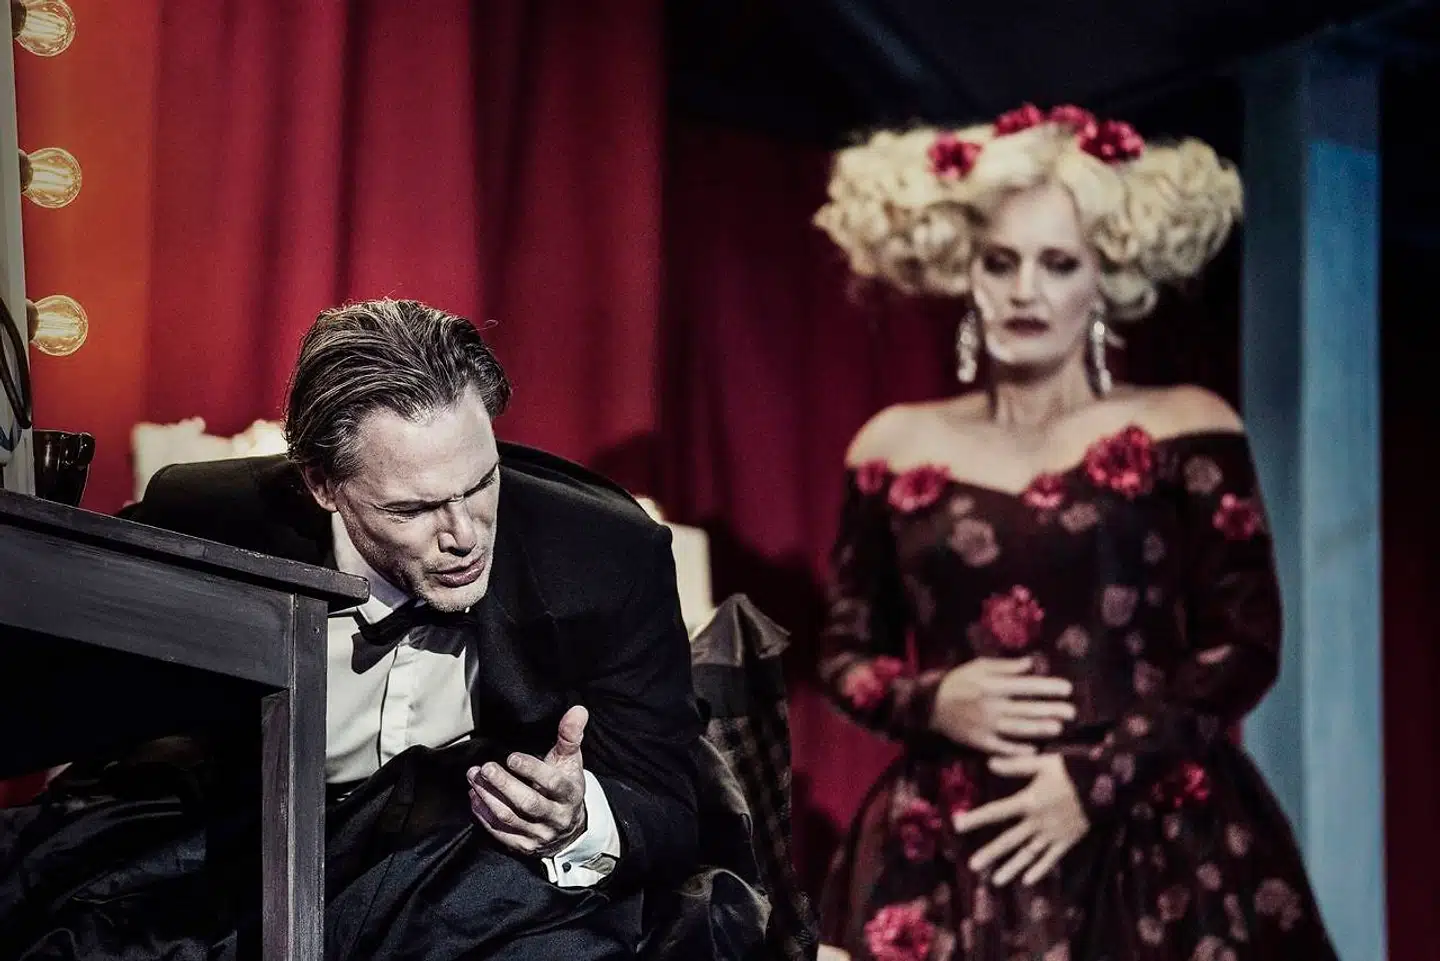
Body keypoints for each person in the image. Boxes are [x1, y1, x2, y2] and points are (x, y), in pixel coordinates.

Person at [0, 299, 752, 961]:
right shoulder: (209, 517)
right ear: (323, 484)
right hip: (246, 849)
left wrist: (577, 817)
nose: (464, 536)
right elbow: (61, 695)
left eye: (481, 483)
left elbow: (667, 803)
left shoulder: (606, 555)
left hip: (463, 881)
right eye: (413, 509)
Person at [809, 104, 1338, 960]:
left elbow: (1245, 642)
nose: (1026, 290)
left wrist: (1096, 778)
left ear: (1103, 278)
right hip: (951, 843)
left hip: (1154, 832)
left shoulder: (1186, 424)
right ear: (967, 273)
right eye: (1001, 261)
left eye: (1058, 263)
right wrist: (932, 699)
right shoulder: (892, 444)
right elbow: (844, 651)